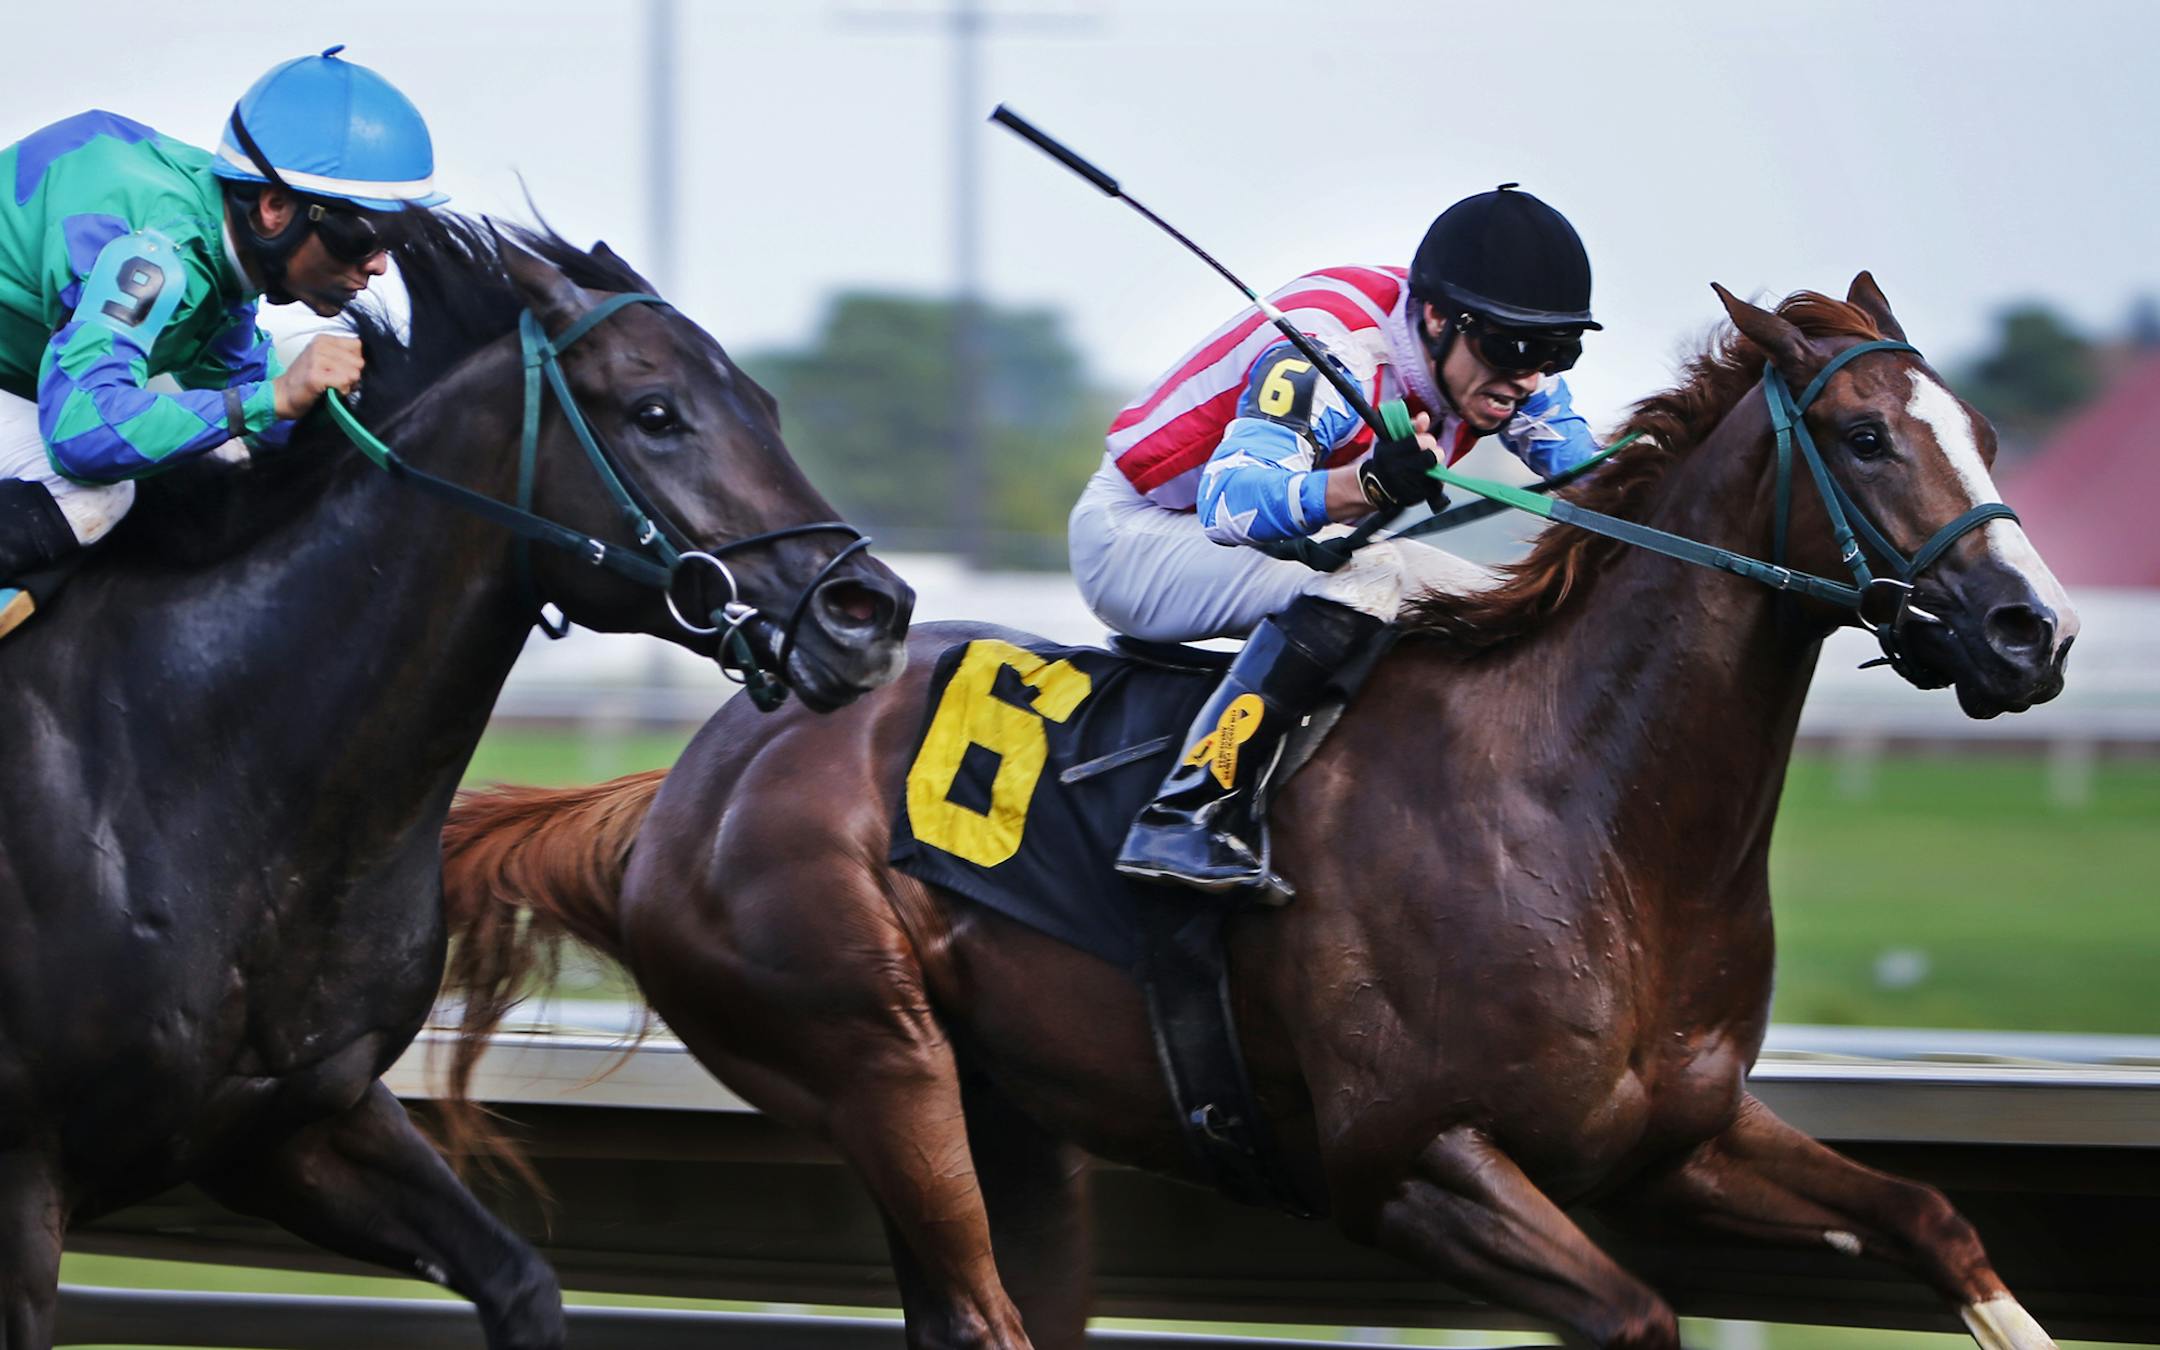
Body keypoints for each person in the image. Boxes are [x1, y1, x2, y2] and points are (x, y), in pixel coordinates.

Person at [1068, 184, 1604, 893]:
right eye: (1512, 346)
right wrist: (1367, 485)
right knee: (1382, 572)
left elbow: (1599, 481)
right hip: (1141, 535)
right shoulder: (1328, 349)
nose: (1531, 376)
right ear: (1438, 317)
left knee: (1494, 599)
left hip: (1264, 547)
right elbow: (1229, 505)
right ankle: (1187, 810)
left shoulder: (1505, 366)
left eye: (1557, 351)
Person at [0, 45, 446, 638]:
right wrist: (273, 398)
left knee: (225, 455)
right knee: (95, 495)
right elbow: (83, 432)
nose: (379, 265)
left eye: (397, 238)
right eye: (364, 234)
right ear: (275, 207)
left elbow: (261, 416)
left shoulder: (223, 263)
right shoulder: (154, 254)